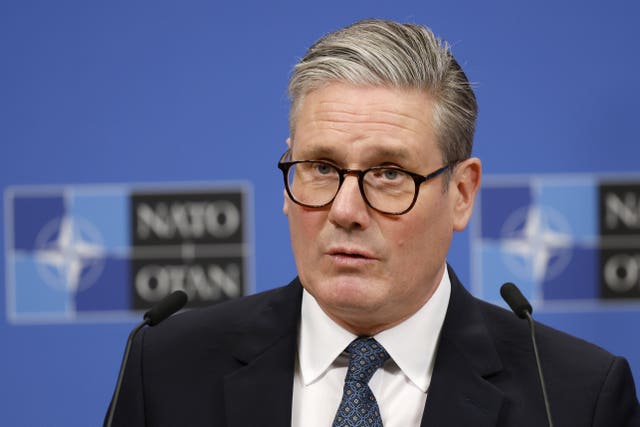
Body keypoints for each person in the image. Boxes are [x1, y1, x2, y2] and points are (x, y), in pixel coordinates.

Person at [106, 19, 640, 426]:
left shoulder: (573, 396)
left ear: (461, 193)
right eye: (319, 168)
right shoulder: (167, 367)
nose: (344, 211)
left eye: (388, 173)